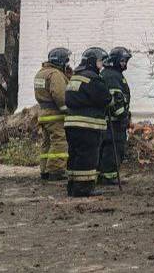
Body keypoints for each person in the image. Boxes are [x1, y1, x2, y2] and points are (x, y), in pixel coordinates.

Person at [64, 47, 111, 198]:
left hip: (71, 125)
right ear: (92, 62)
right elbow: (105, 98)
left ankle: (72, 186)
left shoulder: (75, 78)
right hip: (88, 126)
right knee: (88, 157)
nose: (101, 65)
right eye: (99, 62)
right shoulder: (93, 78)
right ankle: (84, 188)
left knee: (74, 154)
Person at [33, 47, 71, 181]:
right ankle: (56, 171)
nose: (67, 63)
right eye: (66, 60)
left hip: (43, 113)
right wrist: (67, 109)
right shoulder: (55, 74)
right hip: (55, 114)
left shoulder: (41, 73)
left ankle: (44, 170)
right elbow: (60, 95)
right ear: (60, 61)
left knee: (46, 143)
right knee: (60, 142)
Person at [98, 47, 132, 186]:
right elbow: (116, 98)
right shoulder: (112, 76)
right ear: (115, 61)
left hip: (111, 120)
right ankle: (109, 176)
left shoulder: (112, 74)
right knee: (113, 148)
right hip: (114, 122)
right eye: (123, 61)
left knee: (108, 148)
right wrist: (123, 116)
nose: (124, 64)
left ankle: (103, 174)